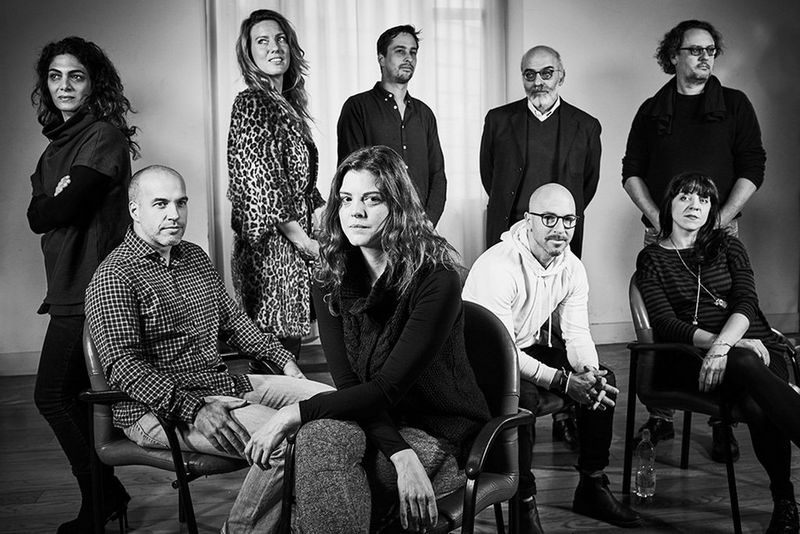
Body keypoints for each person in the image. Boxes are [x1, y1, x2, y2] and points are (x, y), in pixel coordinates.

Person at [237, 146, 491, 532]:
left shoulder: (437, 278)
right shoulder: (329, 277)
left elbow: (386, 388)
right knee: (319, 442)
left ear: (398, 207)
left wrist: (295, 412)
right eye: (346, 199)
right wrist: (401, 454)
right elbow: (352, 386)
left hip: (441, 430)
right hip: (378, 419)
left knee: (324, 461)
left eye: (372, 200)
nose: (355, 211)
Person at [85, 165, 332, 533]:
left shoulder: (194, 257)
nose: (174, 214)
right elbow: (123, 368)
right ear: (135, 210)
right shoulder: (114, 275)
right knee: (283, 442)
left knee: (334, 405)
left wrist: (284, 360)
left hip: (220, 385)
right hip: (159, 409)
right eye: (160, 204)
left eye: (180, 203)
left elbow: (233, 321)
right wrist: (195, 408)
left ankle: (311, 520)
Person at [622, 19, 766, 459]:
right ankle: (663, 411)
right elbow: (631, 171)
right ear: (674, 56)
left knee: (720, 306)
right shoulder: (652, 109)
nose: (705, 58)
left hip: (719, 226)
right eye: (694, 50)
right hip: (664, 232)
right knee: (667, 315)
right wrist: (657, 218)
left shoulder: (735, 105)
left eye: (710, 51)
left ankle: (722, 417)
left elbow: (752, 166)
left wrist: (720, 219)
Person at [463, 184, 641, 532]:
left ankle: (592, 483)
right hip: (479, 361)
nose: (560, 229)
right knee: (523, 399)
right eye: (549, 218)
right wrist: (562, 381)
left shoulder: (571, 267)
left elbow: (577, 333)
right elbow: (503, 353)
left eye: (568, 220)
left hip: (521, 348)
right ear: (528, 221)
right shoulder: (499, 267)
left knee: (606, 381)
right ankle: (523, 503)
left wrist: (588, 374)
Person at [635, 171, 800, 533]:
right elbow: (666, 323)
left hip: (761, 348)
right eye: (685, 197)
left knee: (758, 399)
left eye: (704, 199)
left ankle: (785, 504)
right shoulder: (651, 259)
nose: (695, 205)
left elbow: (746, 301)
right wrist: (723, 346)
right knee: (745, 360)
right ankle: (785, 500)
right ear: (669, 205)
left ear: (712, 209)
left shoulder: (729, 246)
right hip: (696, 360)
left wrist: (727, 344)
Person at [26, 36, 137, 533]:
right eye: (55, 76)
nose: (64, 85)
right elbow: (36, 215)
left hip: (92, 287)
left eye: (75, 75)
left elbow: (62, 208)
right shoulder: (57, 145)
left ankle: (103, 497)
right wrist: (54, 200)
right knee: (71, 397)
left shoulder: (103, 135)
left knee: (52, 396)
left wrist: (57, 200)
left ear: (94, 83)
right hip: (66, 284)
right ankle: (105, 496)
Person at [227, 9, 324, 358]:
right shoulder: (252, 103)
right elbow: (263, 186)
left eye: (281, 38)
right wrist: (305, 243)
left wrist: (330, 217)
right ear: (249, 53)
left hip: (294, 246)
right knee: (276, 357)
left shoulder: (287, 107)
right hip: (272, 253)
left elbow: (304, 183)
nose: (274, 47)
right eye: (262, 41)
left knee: (288, 353)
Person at [480, 45, 601, 255]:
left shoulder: (586, 126)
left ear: (561, 77)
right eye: (530, 74)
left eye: (546, 73)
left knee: (556, 288)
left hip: (560, 234)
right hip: (508, 231)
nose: (538, 82)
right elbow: (488, 176)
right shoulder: (497, 120)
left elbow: (588, 185)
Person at [337, 25, 447, 226]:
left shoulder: (425, 114)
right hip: (376, 227)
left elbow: (438, 175)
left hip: (419, 228)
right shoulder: (357, 107)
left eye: (413, 52)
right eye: (400, 51)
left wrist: (428, 222)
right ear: (381, 58)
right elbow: (351, 174)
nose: (409, 58)